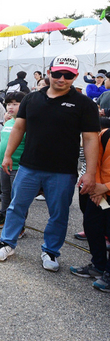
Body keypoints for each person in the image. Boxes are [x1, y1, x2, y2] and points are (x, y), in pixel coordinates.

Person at [0, 54, 100, 272]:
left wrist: (90, 172)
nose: (61, 78)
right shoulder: (31, 99)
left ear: (76, 76)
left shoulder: (84, 104)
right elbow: (19, 128)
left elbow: (90, 139)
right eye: (57, 73)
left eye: (68, 75)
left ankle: (50, 251)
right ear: (49, 72)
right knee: (16, 207)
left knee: (59, 213)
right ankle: (7, 243)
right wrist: (7, 155)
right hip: (29, 166)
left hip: (63, 171)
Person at [70, 125, 110, 292]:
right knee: (91, 225)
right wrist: (97, 188)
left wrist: (106, 187)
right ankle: (99, 265)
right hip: (100, 193)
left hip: (104, 189)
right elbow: (97, 161)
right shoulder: (105, 134)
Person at [0, 92, 27, 230]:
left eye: (15, 104)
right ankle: (4, 216)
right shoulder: (8, 122)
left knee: (18, 197)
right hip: (3, 164)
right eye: (8, 104)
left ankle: (19, 225)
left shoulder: (26, 123)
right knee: (5, 193)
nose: (10, 107)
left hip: (18, 166)